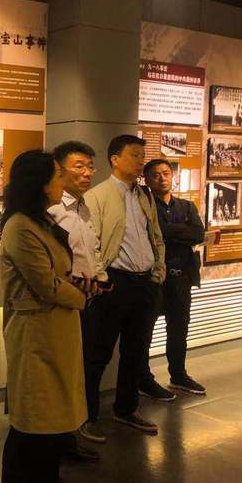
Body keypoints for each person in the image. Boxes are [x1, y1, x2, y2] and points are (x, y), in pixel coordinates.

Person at [0, 150, 88, 483]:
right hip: (35, 333)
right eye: (56, 175)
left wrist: (76, 288)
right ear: (38, 183)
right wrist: (83, 295)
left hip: (57, 330)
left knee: (52, 429)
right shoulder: (19, 227)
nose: (61, 181)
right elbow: (46, 284)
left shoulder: (41, 221)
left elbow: (58, 276)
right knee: (32, 426)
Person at [81, 135, 166, 443]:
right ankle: (87, 416)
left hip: (144, 283)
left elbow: (154, 234)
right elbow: (91, 241)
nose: (141, 161)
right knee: (97, 354)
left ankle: (126, 409)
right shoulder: (97, 195)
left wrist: (158, 270)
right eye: (134, 155)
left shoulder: (144, 195)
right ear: (115, 159)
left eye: (142, 155)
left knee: (136, 351)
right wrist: (102, 278)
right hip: (114, 283)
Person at [49, 141, 107, 464]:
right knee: (63, 375)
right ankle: (58, 445)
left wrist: (98, 279)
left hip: (89, 299)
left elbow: (90, 252)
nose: (87, 173)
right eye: (79, 167)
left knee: (81, 370)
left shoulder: (84, 207)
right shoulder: (53, 212)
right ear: (59, 170)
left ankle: (71, 437)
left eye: (90, 167)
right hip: (64, 302)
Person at [141, 159, 206, 397]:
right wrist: (181, 231)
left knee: (179, 329)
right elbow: (153, 233)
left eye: (166, 173)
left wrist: (168, 232)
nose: (162, 178)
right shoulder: (145, 207)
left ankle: (178, 375)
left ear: (172, 176)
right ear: (147, 180)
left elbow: (198, 234)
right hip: (154, 278)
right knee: (145, 331)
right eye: (156, 175)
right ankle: (143, 379)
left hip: (181, 278)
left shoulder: (186, 206)